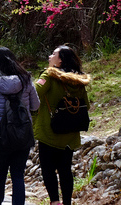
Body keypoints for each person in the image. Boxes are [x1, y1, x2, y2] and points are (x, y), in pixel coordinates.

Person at [0, 47, 40, 205]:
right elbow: (35, 106)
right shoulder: (26, 79)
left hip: (0, 136)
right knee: (18, 175)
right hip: (22, 135)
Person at [34, 45, 90, 205]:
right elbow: (86, 104)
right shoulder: (78, 80)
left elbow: (35, 92)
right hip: (70, 134)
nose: (50, 56)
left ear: (60, 60)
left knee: (48, 168)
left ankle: (54, 201)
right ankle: (66, 202)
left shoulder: (50, 76)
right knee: (65, 170)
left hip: (49, 131)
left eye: (53, 54)